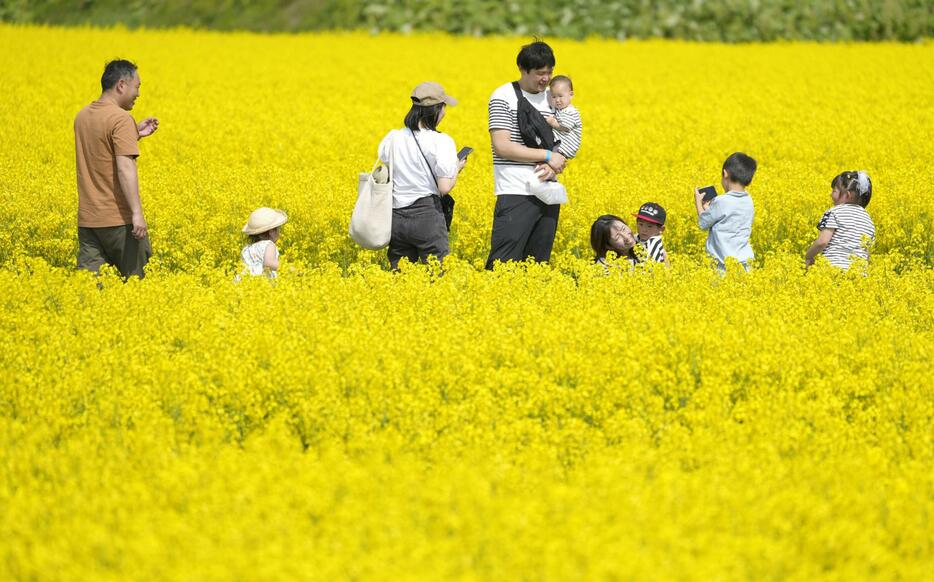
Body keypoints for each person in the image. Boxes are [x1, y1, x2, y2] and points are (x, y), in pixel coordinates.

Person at [485, 40, 573, 270]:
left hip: (548, 192)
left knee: (537, 265)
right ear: (523, 70)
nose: (546, 79)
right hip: (516, 191)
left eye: (549, 72)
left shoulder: (552, 98)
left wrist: (556, 162)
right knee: (503, 264)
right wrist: (547, 156)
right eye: (540, 73)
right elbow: (502, 146)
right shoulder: (503, 96)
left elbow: (569, 136)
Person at [75, 59, 159, 279]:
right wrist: (137, 213)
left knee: (90, 292)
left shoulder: (82, 116)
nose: (138, 93)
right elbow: (125, 168)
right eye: (137, 86)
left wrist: (134, 134)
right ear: (122, 85)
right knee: (138, 286)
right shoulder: (121, 119)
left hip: (89, 222)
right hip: (119, 222)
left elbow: (101, 150)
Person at [377, 82, 467, 270]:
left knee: (400, 277)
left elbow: (389, 164)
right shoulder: (441, 141)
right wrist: (457, 169)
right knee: (437, 276)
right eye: (443, 108)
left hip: (396, 217)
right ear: (436, 110)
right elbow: (444, 187)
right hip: (426, 216)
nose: (444, 113)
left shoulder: (393, 138)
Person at [694, 152, 757, 271]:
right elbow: (728, 219)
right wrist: (709, 209)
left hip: (723, 266)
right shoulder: (748, 201)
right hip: (744, 264)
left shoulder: (721, 201)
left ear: (725, 173)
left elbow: (703, 223)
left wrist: (698, 202)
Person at [804, 171, 875, 269]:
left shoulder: (834, 212)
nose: (830, 195)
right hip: (858, 275)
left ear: (848, 195)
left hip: (832, 270)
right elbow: (866, 253)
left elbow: (822, 242)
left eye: (834, 191)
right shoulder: (869, 221)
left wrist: (808, 256)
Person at [240, 208, 288, 278]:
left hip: (245, 284)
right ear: (271, 231)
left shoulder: (246, 249)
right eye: (278, 229)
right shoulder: (269, 244)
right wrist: (288, 269)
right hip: (262, 283)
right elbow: (268, 263)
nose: (279, 232)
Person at [545, 75, 582, 159]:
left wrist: (553, 123)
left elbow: (565, 127)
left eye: (560, 96)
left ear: (571, 95)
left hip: (564, 148)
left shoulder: (570, 111)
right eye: (554, 97)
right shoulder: (561, 109)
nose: (557, 100)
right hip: (559, 146)